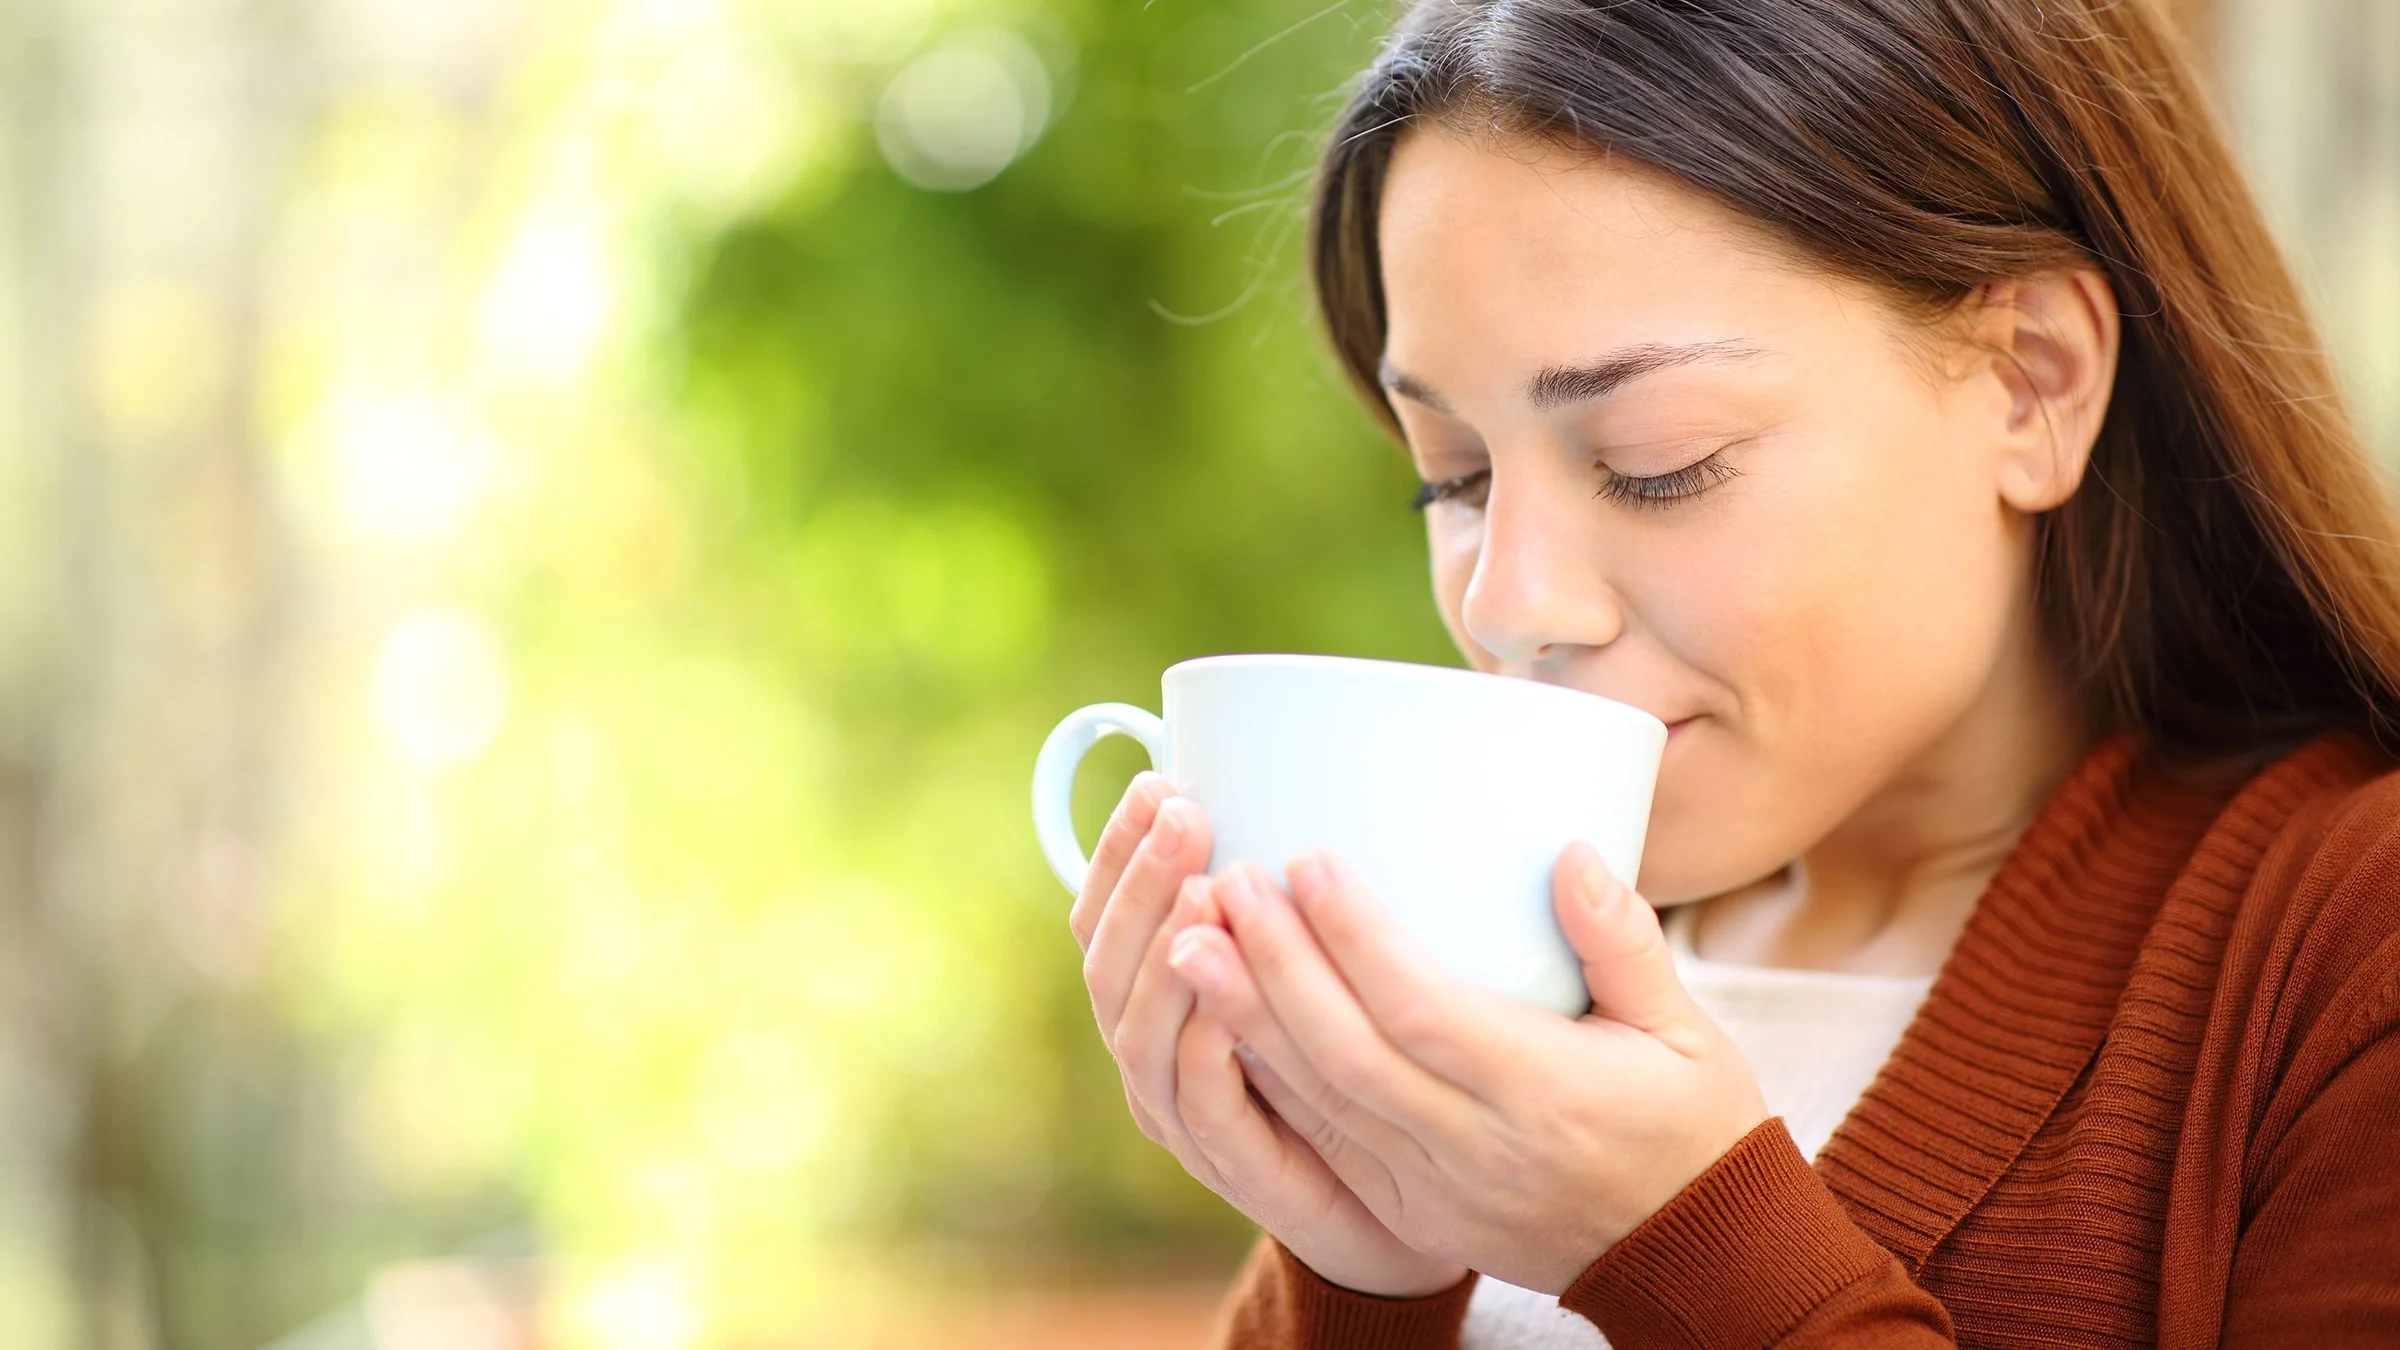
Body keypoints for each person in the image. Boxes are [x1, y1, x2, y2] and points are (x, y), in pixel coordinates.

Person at [1066, 1, 2400, 1345]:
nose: (1511, 602)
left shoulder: (2344, 960)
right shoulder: (1494, 963)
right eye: (1453, 477)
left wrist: (1685, 1243)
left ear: (2032, 382)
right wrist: (1362, 1273)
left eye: (1658, 461)